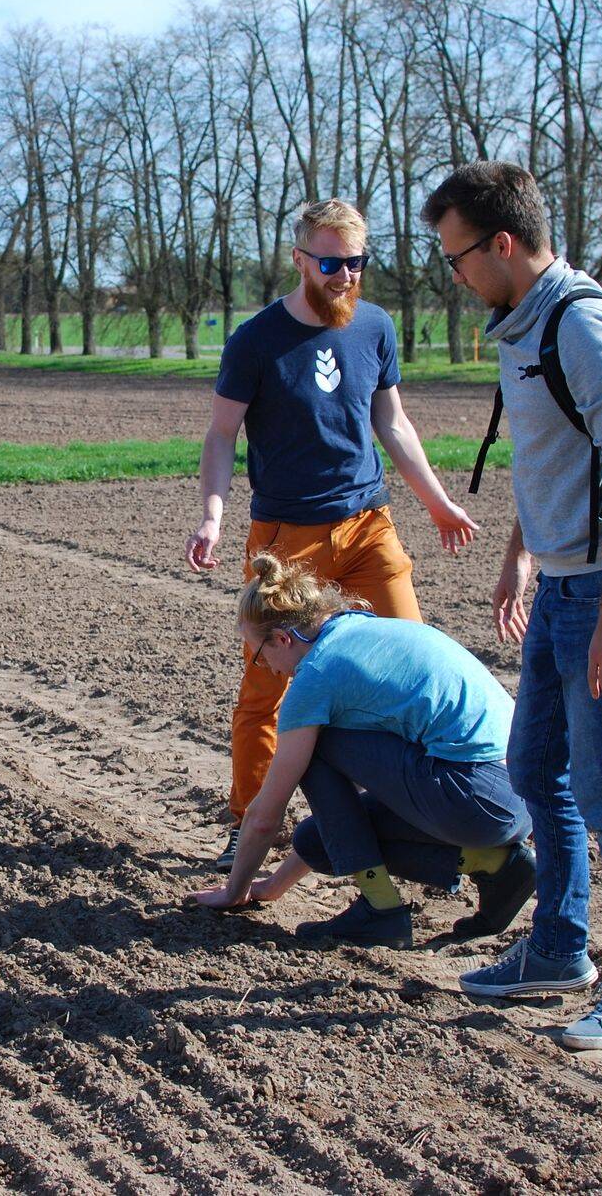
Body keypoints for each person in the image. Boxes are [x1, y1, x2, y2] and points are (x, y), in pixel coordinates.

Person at [424, 161, 602, 1052]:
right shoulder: (520, 325)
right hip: (562, 580)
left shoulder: (581, 323)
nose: (453, 275)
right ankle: (558, 949)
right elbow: (547, 460)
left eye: (457, 256)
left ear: (502, 244)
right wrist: (518, 558)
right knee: (536, 770)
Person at [186, 199, 479, 871]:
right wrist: (213, 515)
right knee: (267, 689)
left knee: (416, 668)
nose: (346, 276)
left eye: (356, 263)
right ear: (299, 260)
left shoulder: (375, 327)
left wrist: (435, 502)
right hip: (287, 537)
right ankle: (247, 822)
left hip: (368, 523)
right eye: (331, 263)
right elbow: (221, 435)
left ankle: (426, 827)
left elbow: (393, 423)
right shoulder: (256, 341)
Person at [191, 552, 536, 948]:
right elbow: (342, 815)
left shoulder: (316, 676)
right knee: (315, 842)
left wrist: (234, 891)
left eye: (258, 655)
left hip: (477, 798)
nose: (265, 667)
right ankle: (498, 866)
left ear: (282, 639)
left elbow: (266, 816)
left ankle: (381, 910)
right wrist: (273, 885)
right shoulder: (361, 630)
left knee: (315, 748)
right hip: (523, 795)